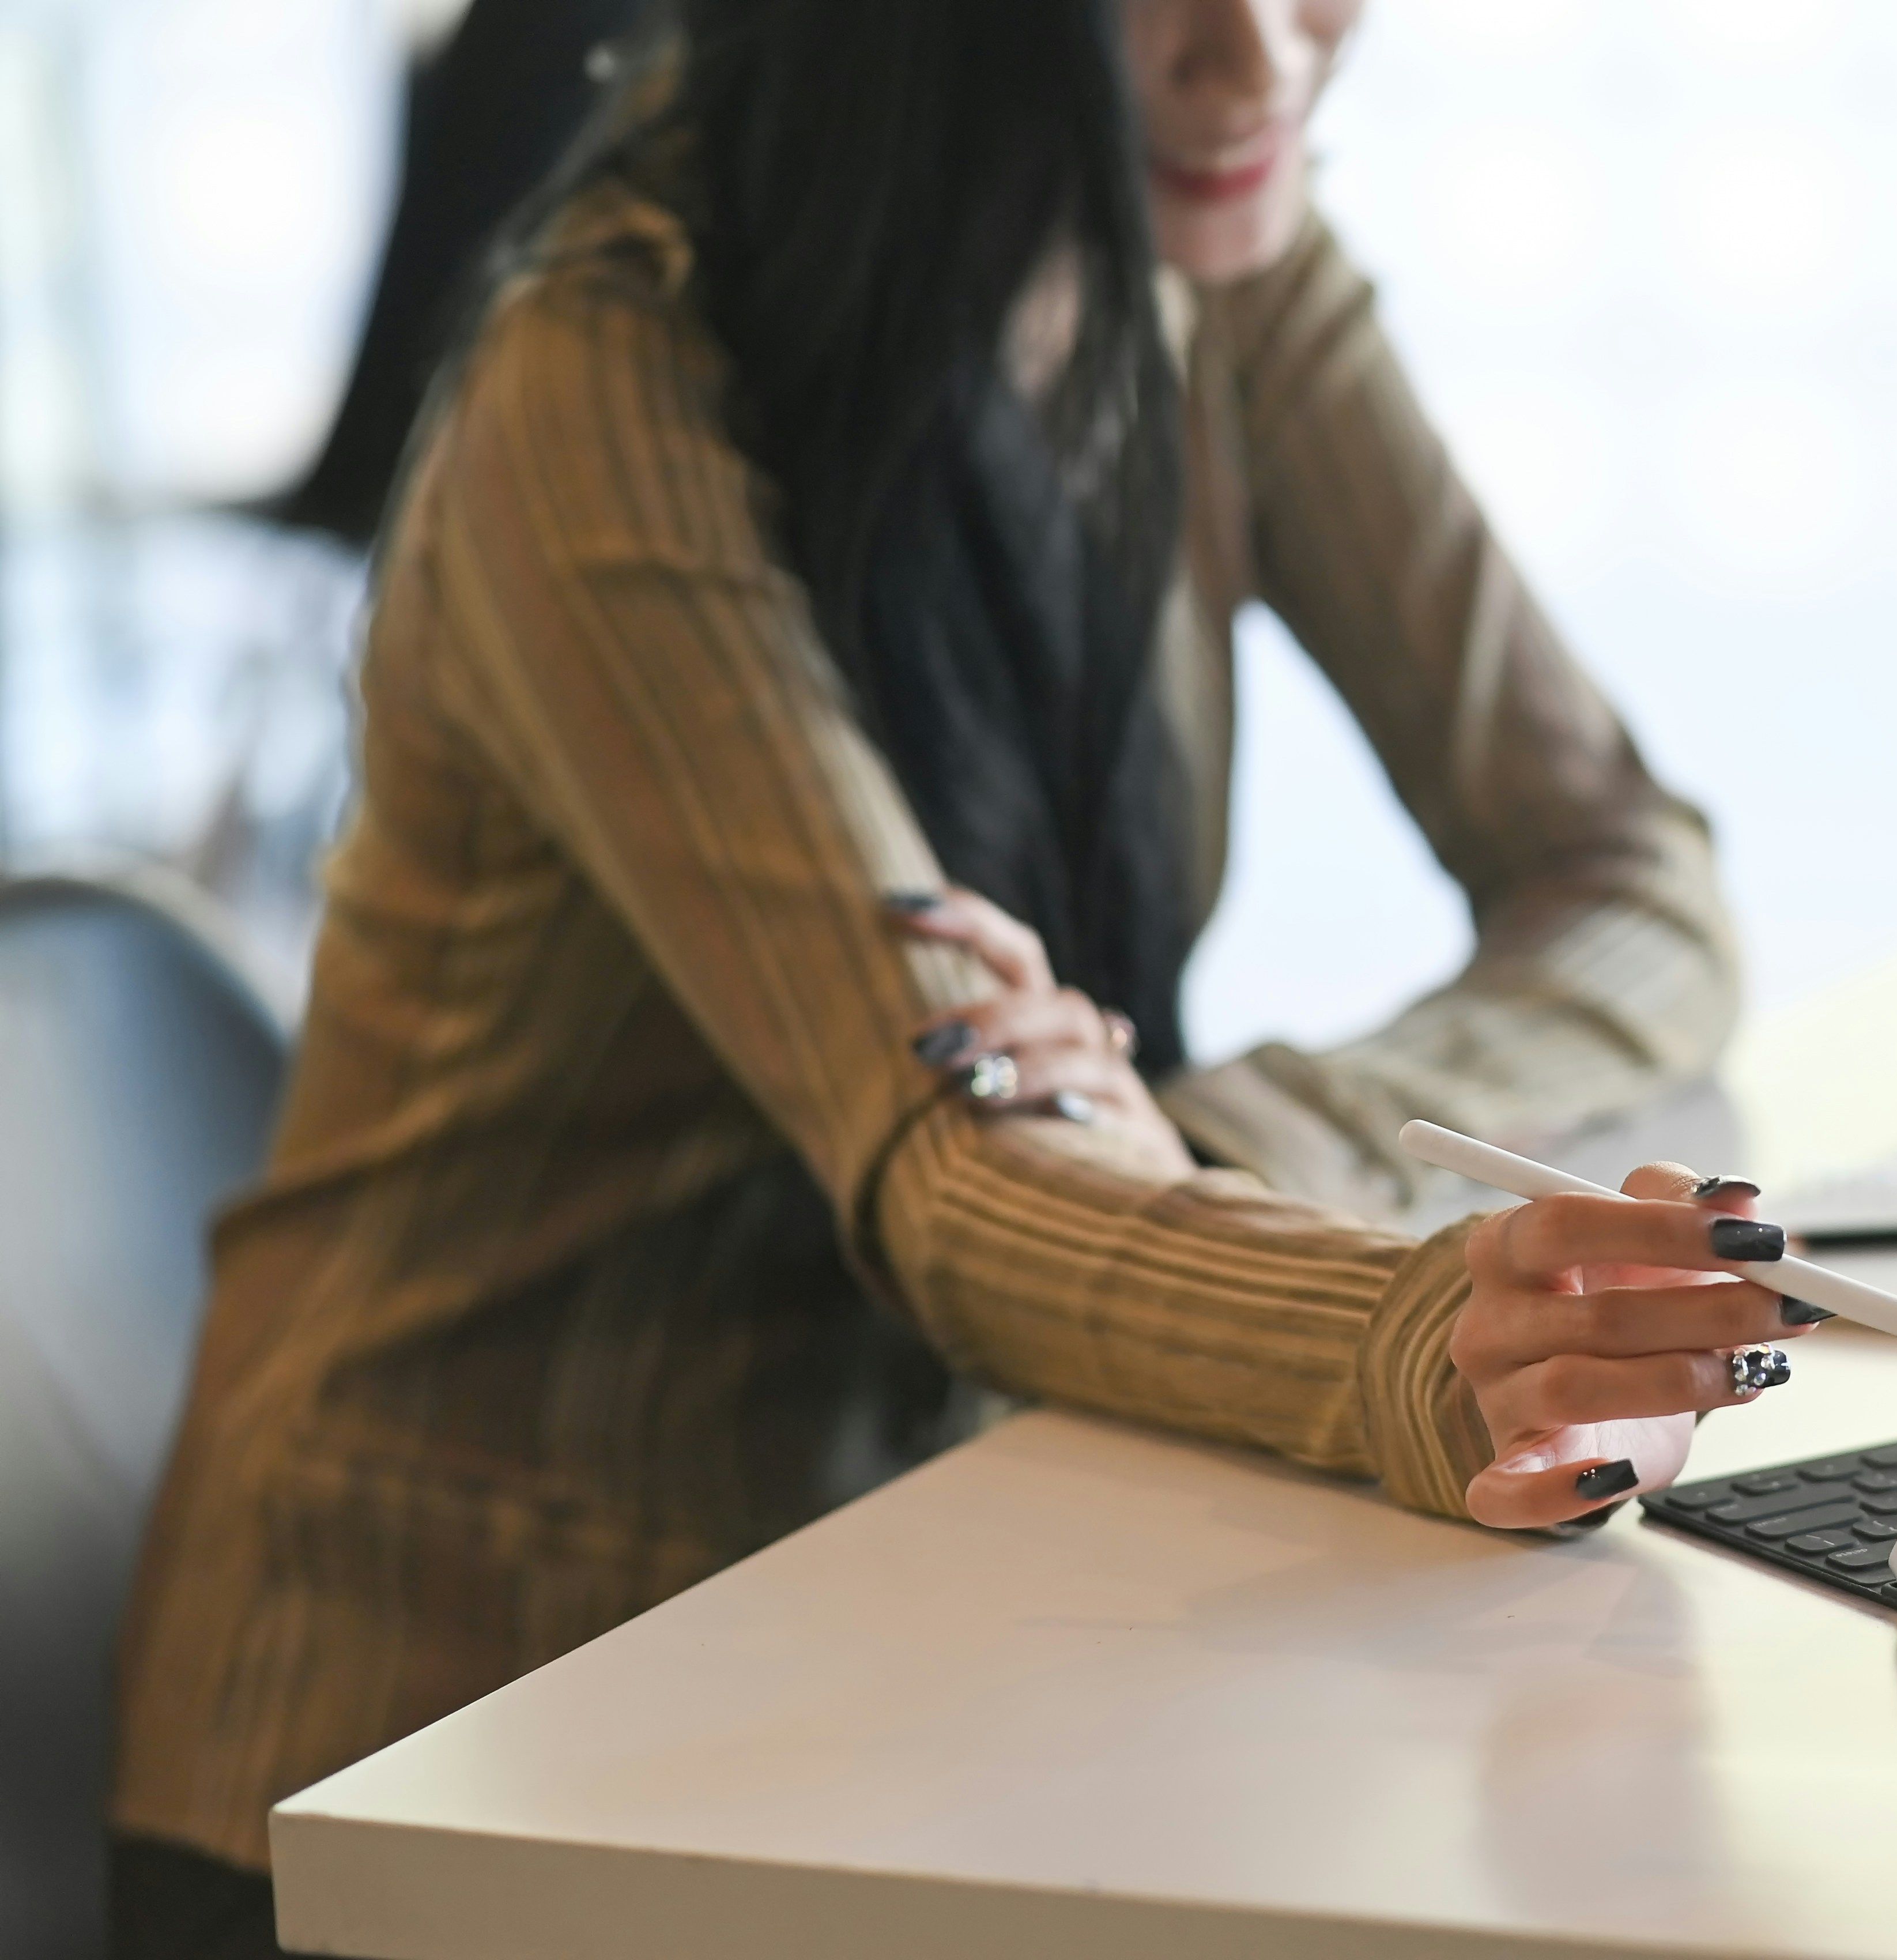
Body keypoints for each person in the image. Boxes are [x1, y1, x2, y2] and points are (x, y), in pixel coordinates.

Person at [108, 2, 1797, 1952]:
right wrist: (1429, 1342)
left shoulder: (1205, 251)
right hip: (429, 1731)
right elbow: (959, 1164)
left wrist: (1249, 1128)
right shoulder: (601, 393)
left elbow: (1626, 865)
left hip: (869, 1618)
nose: (1261, 61)